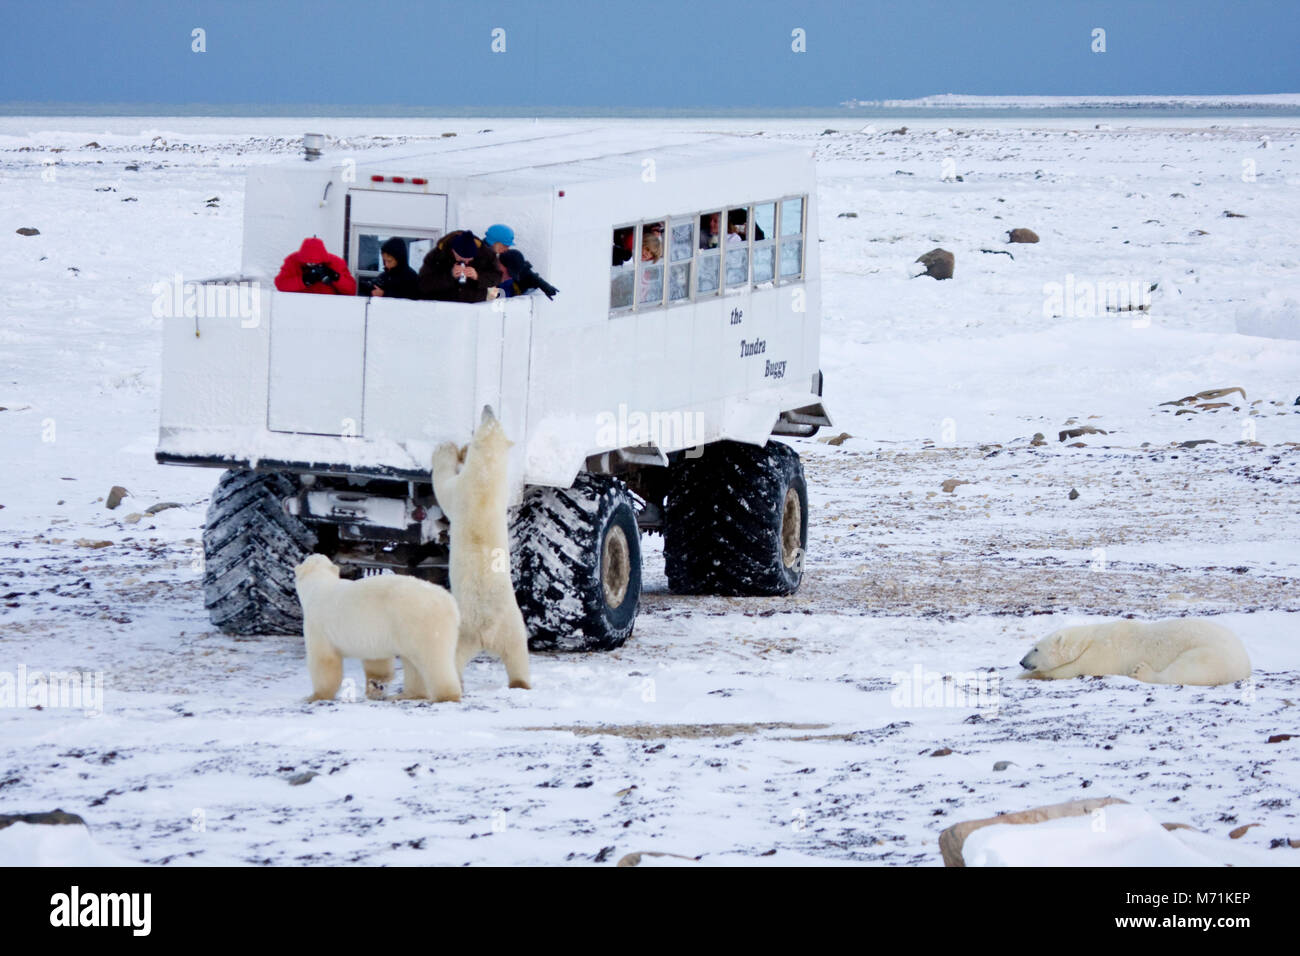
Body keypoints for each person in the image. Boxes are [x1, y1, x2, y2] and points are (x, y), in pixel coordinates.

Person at [417, 230, 503, 303]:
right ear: (453, 251)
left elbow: (497, 277)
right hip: (442, 308)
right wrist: (450, 276)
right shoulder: (436, 256)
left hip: (475, 307)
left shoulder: (486, 254)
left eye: (470, 259)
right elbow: (423, 285)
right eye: (463, 259)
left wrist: (478, 276)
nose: (466, 262)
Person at [483, 223, 559, 299]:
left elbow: (521, 268)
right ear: (495, 242)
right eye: (505, 246)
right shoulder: (481, 258)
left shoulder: (497, 253)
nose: (507, 249)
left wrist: (541, 283)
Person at [273, 237, 356, 295]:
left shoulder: (335, 263)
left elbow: (351, 290)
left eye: (315, 264)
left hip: (329, 306)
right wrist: (304, 280)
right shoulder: (293, 262)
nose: (312, 266)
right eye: (309, 263)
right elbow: (281, 284)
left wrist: (336, 277)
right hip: (299, 305)